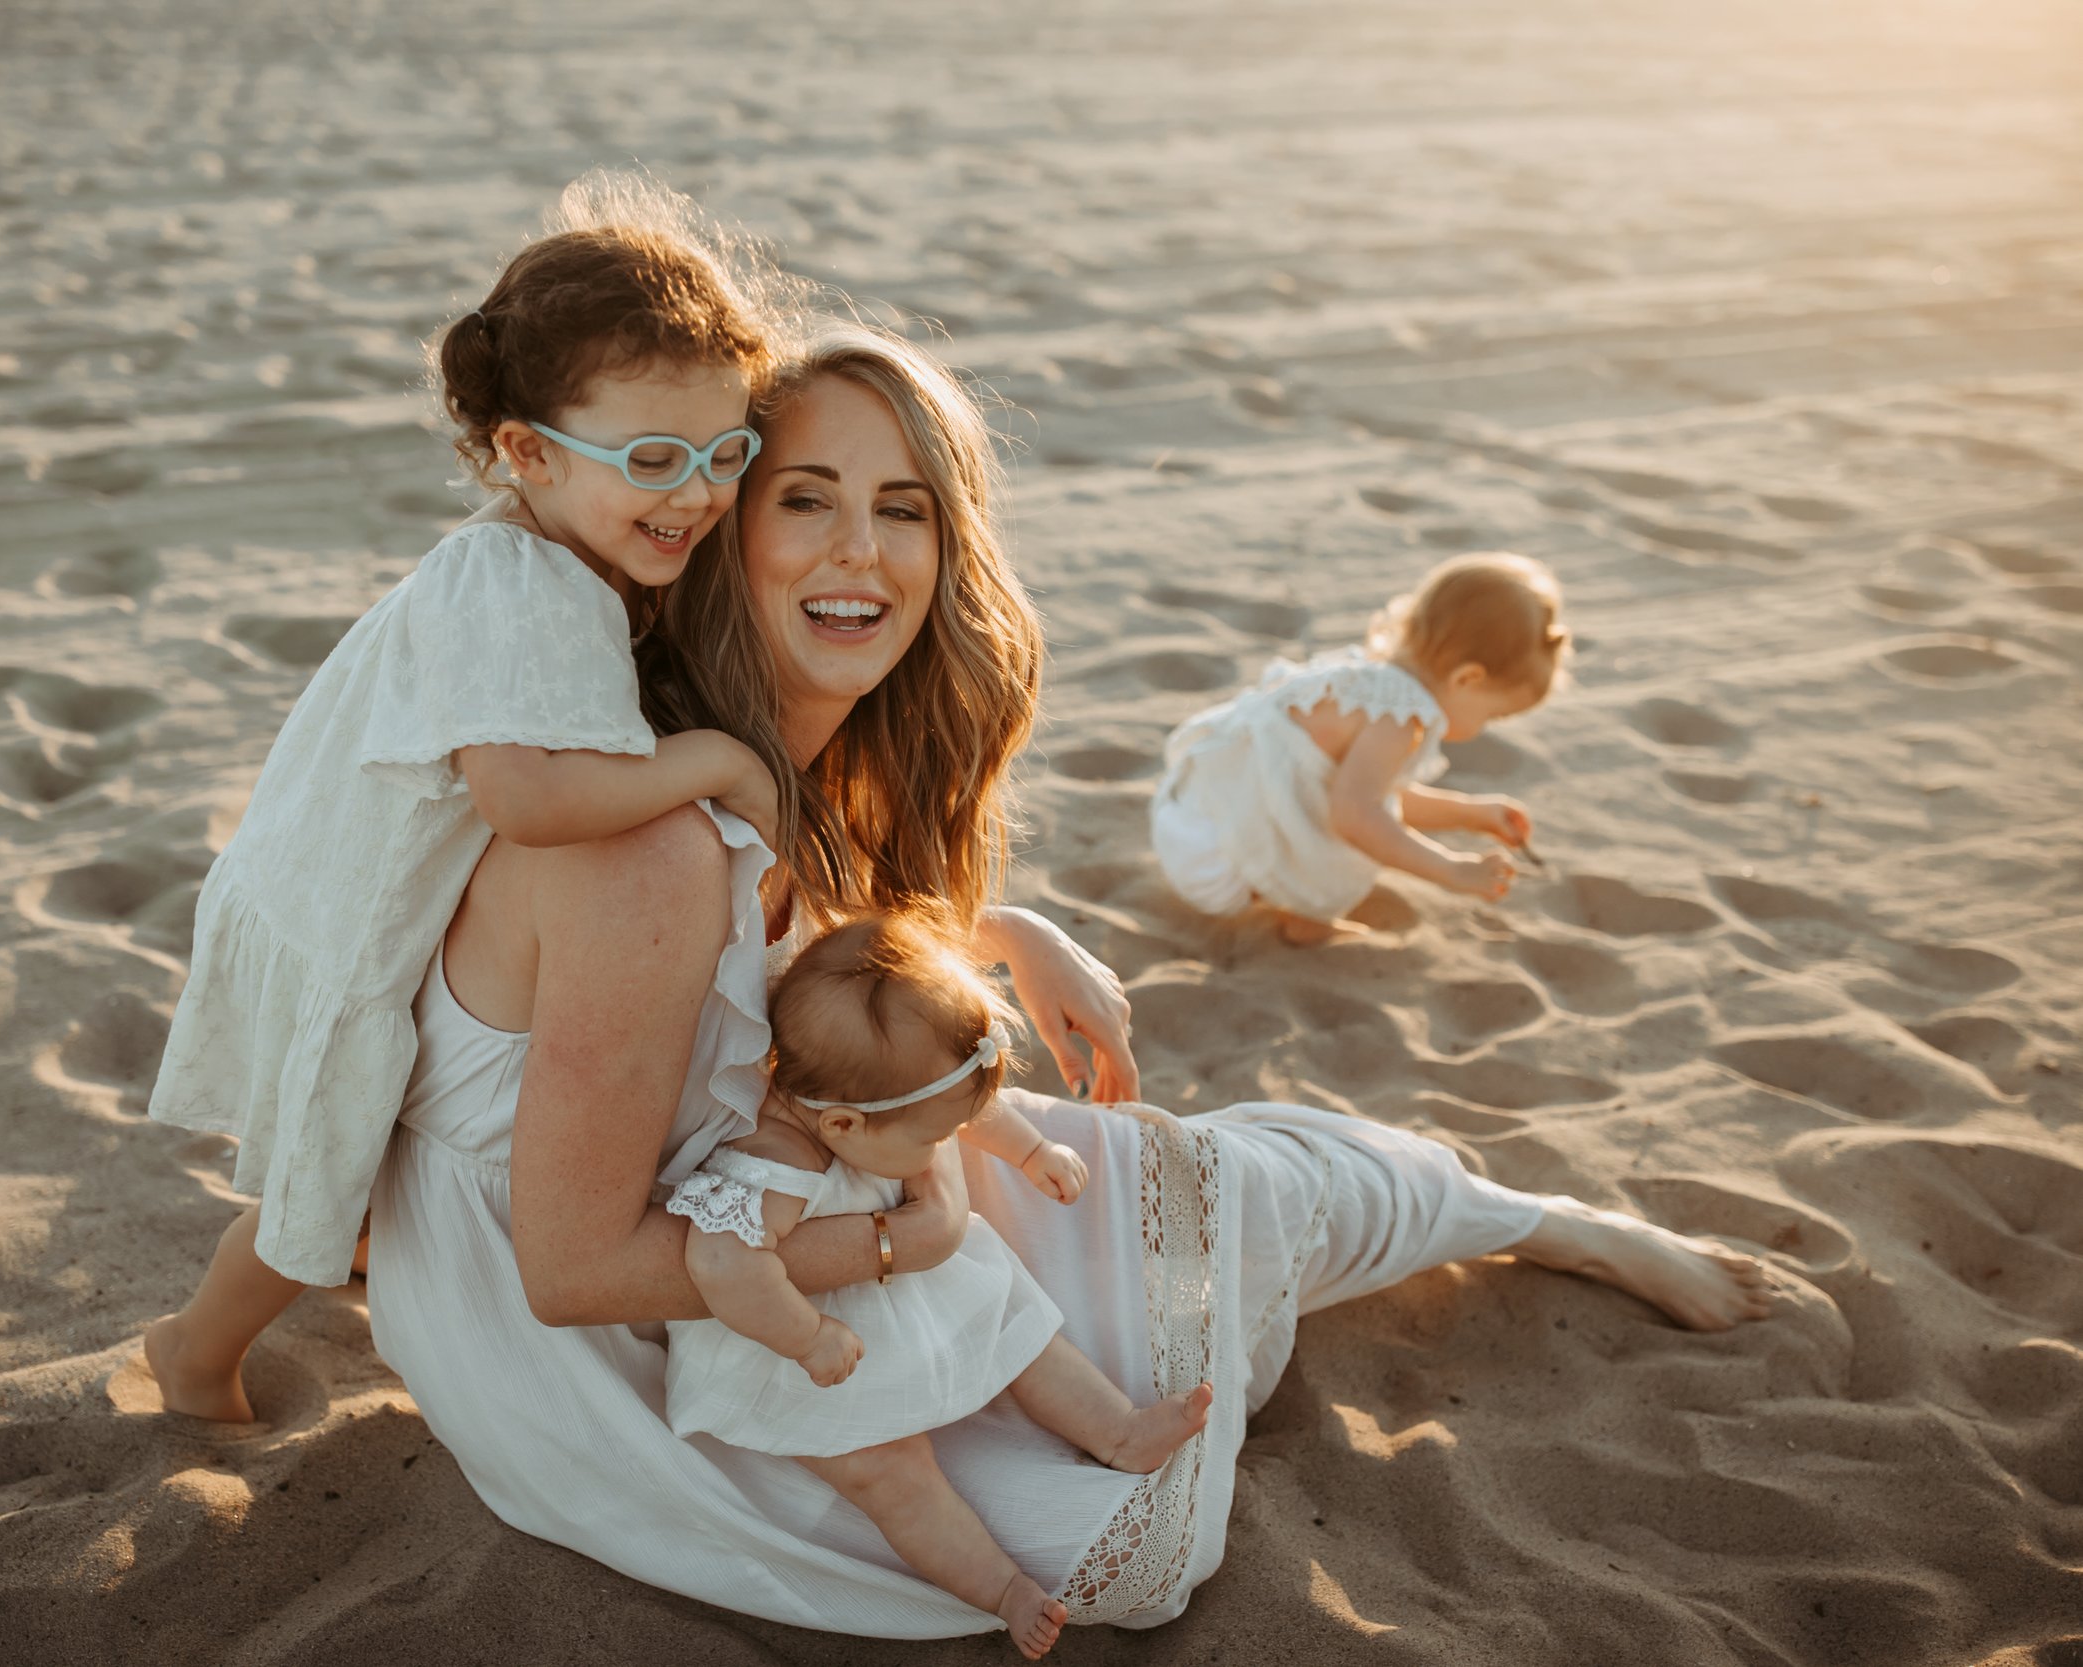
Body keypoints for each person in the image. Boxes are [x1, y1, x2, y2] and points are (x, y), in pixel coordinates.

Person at [362, 319, 1778, 1642]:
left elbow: (800, 943)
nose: (862, 547)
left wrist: (1000, 927)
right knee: (1137, 1548)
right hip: (637, 1329)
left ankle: (1546, 1220)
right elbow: (571, 1263)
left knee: (1236, 1189)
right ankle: (1410, 1241)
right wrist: (899, 1247)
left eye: (906, 505)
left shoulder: (783, 753)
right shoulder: (643, 835)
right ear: (722, 527)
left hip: (796, 1199)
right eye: (806, 498)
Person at [141, 176, 794, 1422]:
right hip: (350, 923)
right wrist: (718, 761)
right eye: (651, 458)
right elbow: (532, 794)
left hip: (378, 899)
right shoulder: (514, 582)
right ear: (525, 451)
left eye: (725, 452)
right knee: (309, 1204)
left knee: (358, 1175)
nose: (697, 493)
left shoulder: (568, 558)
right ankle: (196, 1349)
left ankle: (368, 1273)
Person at [665, 913, 1215, 1659]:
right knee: (889, 1471)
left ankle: (1119, 1430)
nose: (937, 1151)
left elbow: (957, 1111)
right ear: (845, 1125)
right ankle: (1001, 1587)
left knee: (1019, 1327)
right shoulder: (775, 1162)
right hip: (802, 1344)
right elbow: (723, 1261)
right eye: (926, 1140)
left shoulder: (873, 1094)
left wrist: (1031, 1151)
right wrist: (807, 1335)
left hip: (896, 1284)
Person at [1150, 552, 1567, 944]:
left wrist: (1471, 814)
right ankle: (1307, 919)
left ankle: (1295, 901)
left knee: (1345, 811)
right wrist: (1451, 869)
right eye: (1491, 716)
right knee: (1363, 835)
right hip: (1220, 866)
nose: (1481, 729)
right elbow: (1356, 815)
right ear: (1467, 679)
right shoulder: (1401, 718)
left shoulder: (1366, 679)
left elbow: (1372, 790)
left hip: (1190, 820)